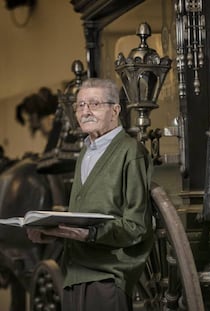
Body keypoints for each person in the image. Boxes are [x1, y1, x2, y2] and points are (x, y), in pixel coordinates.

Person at [27, 78, 154, 311]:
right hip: (74, 275)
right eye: (80, 105)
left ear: (115, 110)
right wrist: (52, 233)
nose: (85, 111)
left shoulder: (131, 152)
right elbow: (84, 218)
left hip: (107, 277)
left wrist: (90, 235)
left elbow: (137, 225)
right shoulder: (86, 152)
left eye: (94, 104)